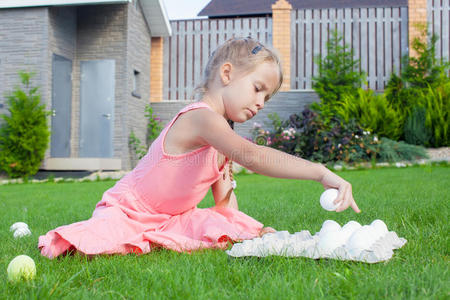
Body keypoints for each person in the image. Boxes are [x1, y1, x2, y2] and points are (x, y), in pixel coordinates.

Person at [38, 37, 360, 259]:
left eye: (267, 97)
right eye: (258, 89)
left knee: (231, 225)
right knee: (102, 237)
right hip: (129, 211)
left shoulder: (220, 137)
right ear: (227, 73)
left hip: (173, 217)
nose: (261, 103)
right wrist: (320, 172)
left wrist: (244, 229)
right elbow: (254, 157)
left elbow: (224, 205)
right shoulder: (201, 118)